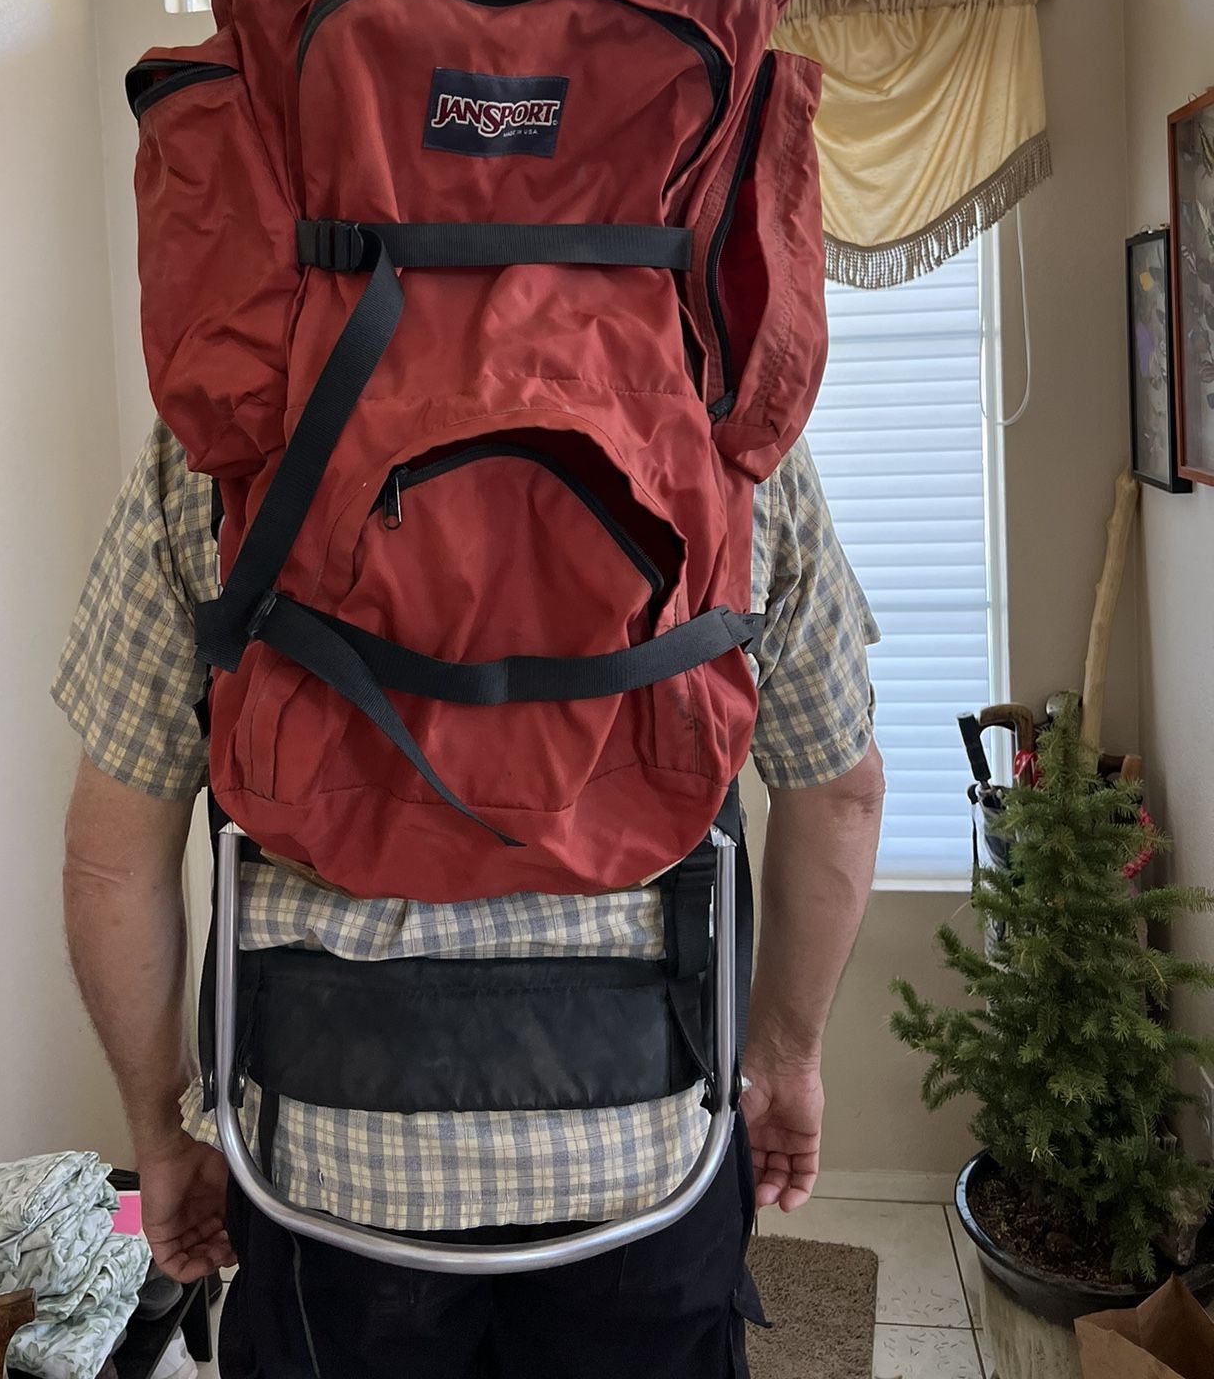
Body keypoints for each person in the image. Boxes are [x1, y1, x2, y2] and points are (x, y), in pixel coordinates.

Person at [59, 419, 883, 1379]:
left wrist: (167, 1132)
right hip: (648, 1140)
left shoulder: (225, 421)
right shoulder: (727, 412)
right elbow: (840, 793)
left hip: (327, 1157)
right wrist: (784, 1062)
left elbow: (111, 863)